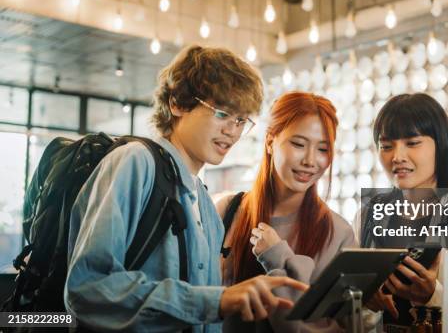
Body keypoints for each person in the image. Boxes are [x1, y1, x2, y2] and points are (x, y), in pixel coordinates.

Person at [64, 45, 308, 332]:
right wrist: (214, 302)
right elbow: (88, 287)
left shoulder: (205, 203)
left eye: (241, 120)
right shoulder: (136, 163)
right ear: (177, 103)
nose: (233, 130)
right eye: (221, 113)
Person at [353, 93, 448, 331]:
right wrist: (364, 301)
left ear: (441, 145)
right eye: (386, 146)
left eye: (412, 143)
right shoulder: (368, 217)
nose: (397, 157)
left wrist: (433, 296)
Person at [215, 91, 357, 332]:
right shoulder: (228, 211)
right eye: (299, 144)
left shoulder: (338, 233)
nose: (311, 161)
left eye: (323, 149)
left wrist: (277, 258)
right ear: (270, 141)